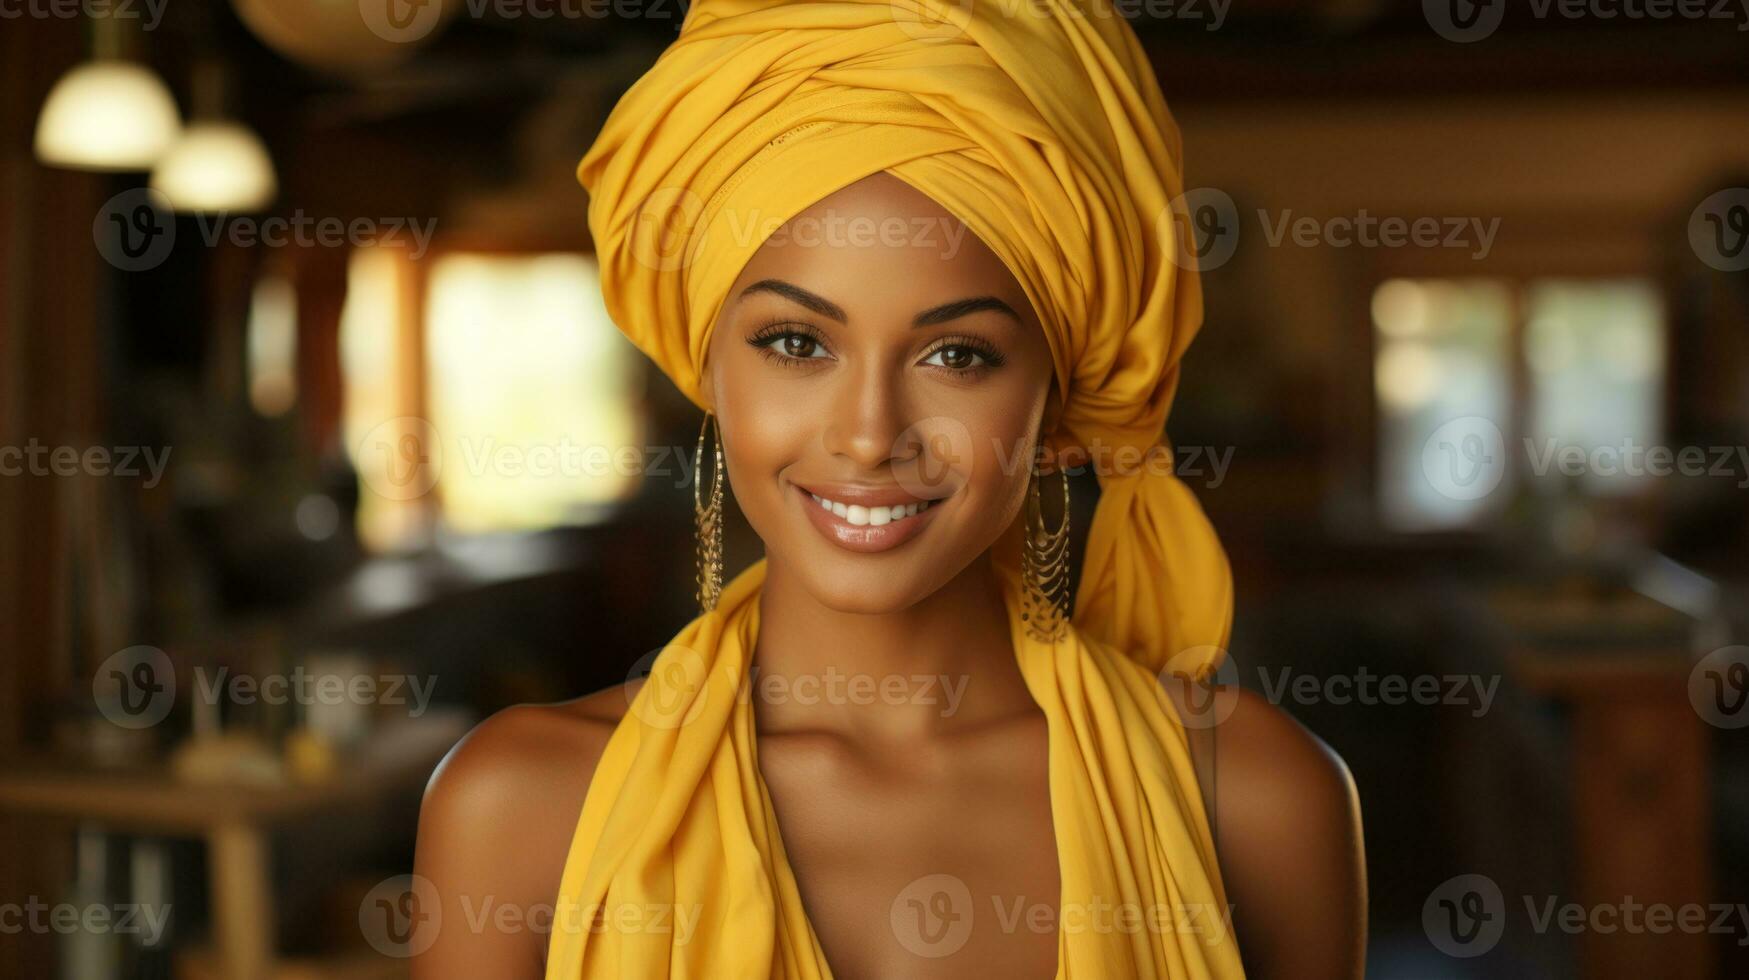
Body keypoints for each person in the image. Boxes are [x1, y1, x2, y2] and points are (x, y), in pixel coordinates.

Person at [413, 1, 1365, 977]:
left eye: (959, 353)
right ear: (709, 368)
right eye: (796, 342)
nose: (870, 434)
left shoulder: (1250, 799)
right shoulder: (522, 808)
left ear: (1060, 402)